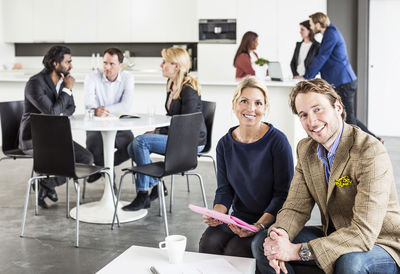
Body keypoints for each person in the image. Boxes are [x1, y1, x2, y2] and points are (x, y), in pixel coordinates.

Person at [252, 79, 400, 274]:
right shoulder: (306, 150)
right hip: (335, 233)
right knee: (265, 244)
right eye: (303, 115)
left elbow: (364, 232)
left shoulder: (369, 151)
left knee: (350, 262)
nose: (312, 121)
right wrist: (279, 236)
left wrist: (297, 251)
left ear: (337, 107)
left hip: (380, 242)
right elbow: (295, 207)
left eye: (318, 109)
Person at [199, 76, 294, 263]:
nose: (251, 109)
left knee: (236, 252)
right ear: (234, 104)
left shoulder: (278, 142)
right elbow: (225, 189)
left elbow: (283, 196)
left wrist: (258, 225)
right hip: (238, 219)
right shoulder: (225, 144)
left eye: (258, 103)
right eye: (244, 101)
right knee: (208, 243)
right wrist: (218, 214)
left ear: (266, 108)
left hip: (270, 221)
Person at [122, 47, 207, 211]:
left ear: (176, 66)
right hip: (179, 137)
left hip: (190, 142)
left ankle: (143, 194)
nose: (161, 65)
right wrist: (157, 131)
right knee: (132, 146)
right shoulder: (172, 84)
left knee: (140, 142)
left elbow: (185, 124)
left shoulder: (188, 88)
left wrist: (158, 132)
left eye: (164, 62)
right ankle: (156, 186)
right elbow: (171, 117)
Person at [18, 45, 93, 209]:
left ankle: (45, 184)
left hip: (55, 137)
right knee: (66, 159)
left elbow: (71, 108)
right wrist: (66, 90)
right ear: (55, 63)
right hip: (34, 139)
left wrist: (56, 111)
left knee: (87, 159)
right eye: (68, 62)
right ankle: (45, 185)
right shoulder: (35, 83)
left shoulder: (63, 80)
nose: (71, 65)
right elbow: (53, 111)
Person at [301, 12, 379, 141]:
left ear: (318, 24)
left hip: (344, 81)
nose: (310, 27)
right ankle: (375, 139)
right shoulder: (329, 33)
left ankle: (360, 146)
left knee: (348, 117)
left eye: (311, 24)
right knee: (348, 115)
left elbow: (322, 57)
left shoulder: (331, 34)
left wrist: (308, 76)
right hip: (341, 81)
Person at [84, 47, 134, 182]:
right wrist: (95, 110)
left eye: (112, 64)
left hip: (120, 125)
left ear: (120, 66)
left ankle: (101, 169)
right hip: (96, 126)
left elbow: (126, 106)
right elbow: (89, 104)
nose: (107, 67)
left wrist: (101, 110)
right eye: (105, 63)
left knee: (131, 145)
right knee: (94, 144)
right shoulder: (92, 77)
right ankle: (110, 185)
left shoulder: (128, 77)